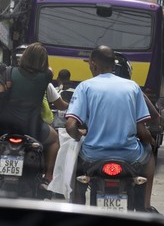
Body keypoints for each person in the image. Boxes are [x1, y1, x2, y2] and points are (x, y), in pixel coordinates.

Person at [64, 45, 158, 212]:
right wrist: (150, 142)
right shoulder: (132, 87)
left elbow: (70, 126)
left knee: (76, 169)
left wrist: (79, 136)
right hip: (129, 155)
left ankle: (76, 209)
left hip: (92, 155)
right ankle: (145, 206)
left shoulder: (85, 87)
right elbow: (142, 131)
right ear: (113, 65)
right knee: (150, 154)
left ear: (93, 64)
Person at [0, 43, 60, 191]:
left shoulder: (9, 72)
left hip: (5, 125)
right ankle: (47, 177)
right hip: (32, 127)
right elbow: (50, 71)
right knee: (55, 139)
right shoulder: (46, 76)